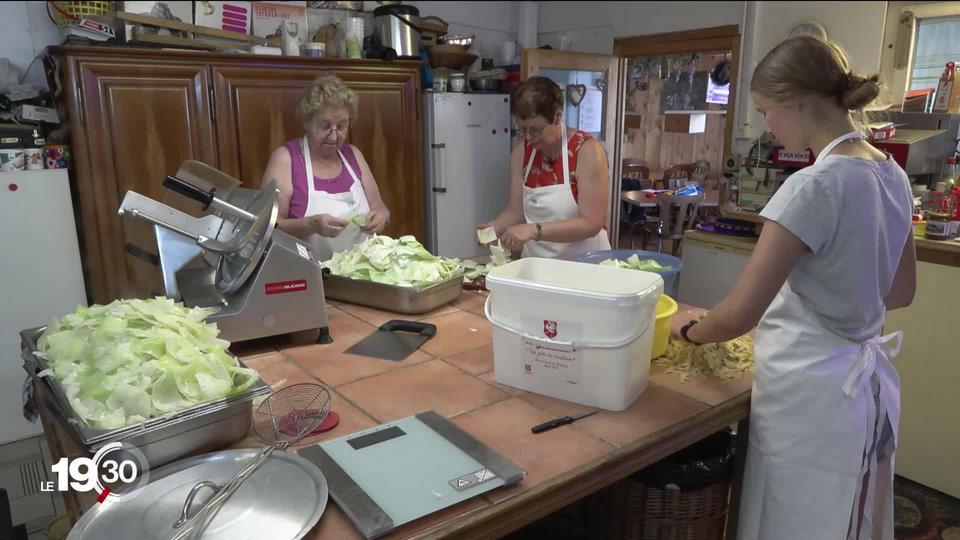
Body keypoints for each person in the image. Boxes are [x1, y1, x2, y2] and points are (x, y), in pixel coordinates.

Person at [672, 36, 916, 540]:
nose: (766, 125)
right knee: (837, 521)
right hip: (857, 395)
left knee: (786, 521)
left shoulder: (812, 186)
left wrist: (689, 331)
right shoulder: (891, 173)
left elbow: (739, 313)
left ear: (798, 101)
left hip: (808, 399)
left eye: (766, 110)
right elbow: (901, 292)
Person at [478, 76, 611, 259]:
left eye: (535, 129)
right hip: (539, 268)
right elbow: (515, 212)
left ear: (557, 116)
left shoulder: (587, 152)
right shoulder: (522, 152)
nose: (529, 138)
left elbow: (592, 223)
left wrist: (534, 230)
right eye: (523, 129)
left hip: (586, 265)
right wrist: (494, 228)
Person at [261, 75, 390, 261]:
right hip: (307, 277)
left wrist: (381, 218)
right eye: (325, 126)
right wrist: (311, 225)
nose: (334, 136)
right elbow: (267, 228)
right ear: (306, 122)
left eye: (342, 126)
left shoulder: (354, 156)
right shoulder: (285, 160)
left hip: (359, 277)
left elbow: (382, 210)